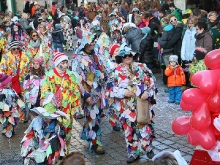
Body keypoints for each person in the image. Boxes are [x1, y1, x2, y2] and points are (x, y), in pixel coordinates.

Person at [107, 43, 156, 163]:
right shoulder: (116, 71)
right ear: (121, 58)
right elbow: (110, 88)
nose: (127, 57)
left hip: (142, 104)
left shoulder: (142, 67)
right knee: (129, 129)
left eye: (129, 55)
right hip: (125, 106)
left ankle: (147, 147)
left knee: (145, 125)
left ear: (133, 56)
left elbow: (153, 82)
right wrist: (123, 92)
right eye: (124, 56)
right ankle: (134, 152)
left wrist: (148, 93)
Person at [72, 33, 106, 155]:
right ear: (84, 42)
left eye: (94, 41)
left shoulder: (97, 55)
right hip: (88, 94)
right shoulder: (78, 58)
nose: (93, 43)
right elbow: (76, 78)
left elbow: (104, 70)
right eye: (90, 41)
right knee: (92, 117)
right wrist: (85, 95)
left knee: (96, 117)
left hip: (99, 93)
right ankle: (96, 143)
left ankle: (88, 134)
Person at [41, 51, 82, 151]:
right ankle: (55, 152)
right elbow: (45, 91)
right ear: (57, 63)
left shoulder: (71, 75)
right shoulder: (50, 76)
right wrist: (50, 102)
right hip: (54, 108)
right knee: (55, 131)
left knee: (67, 130)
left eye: (66, 62)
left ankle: (65, 151)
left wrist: (76, 107)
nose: (65, 65)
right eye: (62, 63)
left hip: (67, 108)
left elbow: (76, 91)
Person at [0, 74, 25, 138]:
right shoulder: (2, 91)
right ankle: (7, 131)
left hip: (14, 108)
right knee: (8, 121)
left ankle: (12, 129)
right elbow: (1, 102)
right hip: (7, 110)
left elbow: (16, 97)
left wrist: (21, 104)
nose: (11, 82)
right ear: (5, 83)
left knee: (15, 119)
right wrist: (6, 108)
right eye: (9, 82)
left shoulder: (11, 89)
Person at [181, 16, 197, 87]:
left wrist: (193, 56)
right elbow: (184, 43)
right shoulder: (187, 31)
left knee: (192, 74)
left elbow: (196, 45)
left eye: (192, 23)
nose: (190, 25)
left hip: (192, 57)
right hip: (186, 57)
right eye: (189, 23)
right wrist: (183, 55)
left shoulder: (196, 32)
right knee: (185, 74)